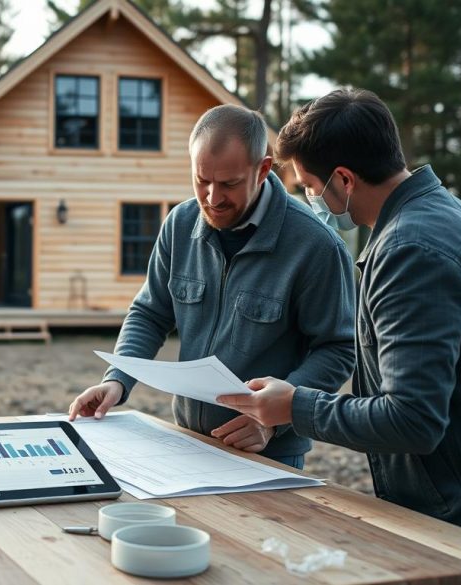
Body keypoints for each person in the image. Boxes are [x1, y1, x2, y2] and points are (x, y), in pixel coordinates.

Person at [218, 88, 461, 557]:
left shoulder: (410, 251)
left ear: (344, 180)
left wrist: (295, 407)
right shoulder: (443, 212)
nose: (310, 198)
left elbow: (413, 419)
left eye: (310, 186)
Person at [68, 104, 356, 469]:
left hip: (269, 455)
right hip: (185, 441)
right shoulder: (180, 224)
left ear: (263, 169)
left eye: (229, 184)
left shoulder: (316, 246)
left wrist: (276, 418)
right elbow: (150, 313)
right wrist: (117, 380)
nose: (212, 198)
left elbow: (338, 348)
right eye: (201, 180)